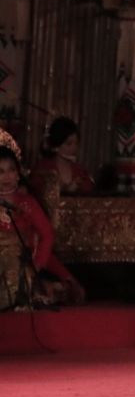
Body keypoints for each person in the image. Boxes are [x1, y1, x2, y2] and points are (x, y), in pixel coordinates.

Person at [0, 128, 84, 309]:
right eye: (0, 172)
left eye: (11, 170)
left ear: (18, 173)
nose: (6, 176)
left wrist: (36, 266)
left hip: (20, 269)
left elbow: (47, 234)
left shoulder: (26, 203)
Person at [31, 117, 95, 198]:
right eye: (69, 144)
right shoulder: (43, 169)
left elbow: (90, 195)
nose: (74, 148)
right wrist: (64, 191)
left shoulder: (81, 171)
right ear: (57, 145)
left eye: (76, 143)